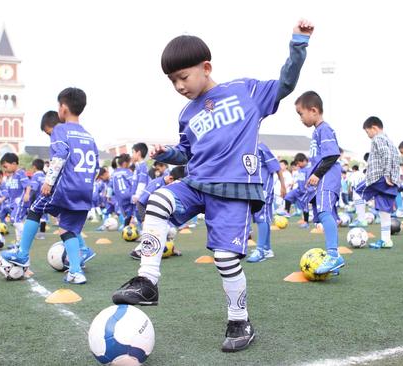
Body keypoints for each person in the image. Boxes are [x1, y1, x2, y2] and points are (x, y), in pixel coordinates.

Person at [112, 19, 313, 352]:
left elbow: (286, 82)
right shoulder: (187, 114)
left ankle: (239, 321)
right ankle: (147, 281)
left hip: (234, 188)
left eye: (183, 77)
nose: (178, 85)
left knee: (225, 258)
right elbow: (187, 152)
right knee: (158, 200)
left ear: (206, 68)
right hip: (197, 182)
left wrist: (299, 42)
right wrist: (169, 153)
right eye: (172, 80)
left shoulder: (246, 91)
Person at [1, 91, 99, 284]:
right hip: (85, 188)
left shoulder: (60, 130)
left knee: (34, 211)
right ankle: (76, 272)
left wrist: (49, 181)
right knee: (67, 228)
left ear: (63, 108)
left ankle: (22, 255)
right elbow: (95, 165)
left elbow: (60, 154)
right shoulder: (89, 136)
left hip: (64, 186)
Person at [296, 91, 344, 275]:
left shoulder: (324, 129)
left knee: (324, 212)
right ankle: (334, 262)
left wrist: (317, 174)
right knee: (326, 213)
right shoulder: (317, 131)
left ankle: (333, 255)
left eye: (301, 114)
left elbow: (332, 154)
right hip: (323, 176)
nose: (300, 118)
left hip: (328, 176)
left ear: (313, 110)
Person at [354, 117, 401, 249]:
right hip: (391, 180)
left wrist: (386, 174)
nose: (368, 135)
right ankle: (386, 240)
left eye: (367, 132)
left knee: (357, 192)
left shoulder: (378, 138)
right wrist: (392, 176)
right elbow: (395, 158)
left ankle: (361, 219)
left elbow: (386, 155)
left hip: (378, 177)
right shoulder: (390, 141)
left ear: (374, 128)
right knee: (384, 210)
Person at [130, 165, 187, 259]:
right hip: (144, 212)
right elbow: (140, 203)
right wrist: (144, 220)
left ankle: (170, 248)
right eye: (178, 184)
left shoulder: (171, 185)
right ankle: (138, 251)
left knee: (171, 230)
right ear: (170, 178)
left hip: (156, 213)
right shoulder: (156, 184)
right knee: (157, 231)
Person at [247, 142, 285, 263]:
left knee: (261, 217)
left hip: (264, 188)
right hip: (252, 188)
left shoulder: (260, 147)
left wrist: (283, 186)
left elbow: (277, 167)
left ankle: (260, 250)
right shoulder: (244, 147)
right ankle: (266, 248)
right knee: (263, 217)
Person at [285, 153, 310, 228]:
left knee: (305, 207)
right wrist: (293, 183)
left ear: (304, 161)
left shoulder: (308, 169)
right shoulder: (300, 169)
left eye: (299, 163)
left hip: (305, 191)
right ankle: (287, 212)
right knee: (288, 196)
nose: (298, 165)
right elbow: (299, 179)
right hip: (299, 189)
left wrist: (308, 186)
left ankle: (306, 222)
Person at [111, 154, 134, 229]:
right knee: (135, 212)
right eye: (129, 163)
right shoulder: (127, 172)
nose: (130, 164)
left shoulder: (114, 173)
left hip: (120, 197)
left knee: (127, 215)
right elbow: (132, 182)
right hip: (129, 194)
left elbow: (113, 187)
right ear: (125, 163)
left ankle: (126, 228)